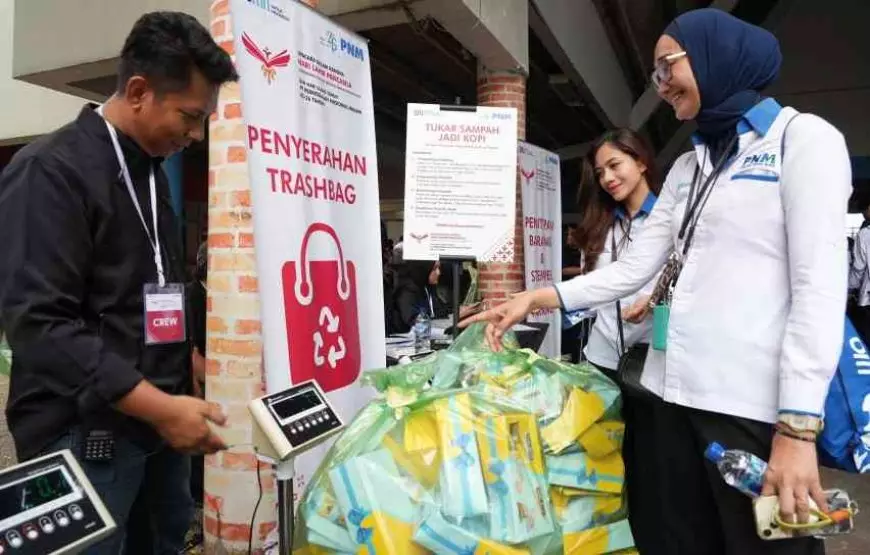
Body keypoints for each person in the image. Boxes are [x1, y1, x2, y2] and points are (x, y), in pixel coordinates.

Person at [463, 8, 850, 555]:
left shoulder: (802, 140)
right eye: (655, 74)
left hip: (750, 407)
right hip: (669, 399)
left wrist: (797, 429)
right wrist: (537, 298)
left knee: (766, 545)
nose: (661, 85)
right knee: (674, 540)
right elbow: (631, 269)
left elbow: (819, 291)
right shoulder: (691, 166)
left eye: (668, 66)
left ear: (717, 56)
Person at [0, 12, 238, 554]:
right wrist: (160, 407)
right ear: (137, 92)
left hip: (157, 424)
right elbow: (40, 325)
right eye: (190, 116)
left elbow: (149, 284)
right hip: (84, 433)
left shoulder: (151, 173)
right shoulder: (50, 172)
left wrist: (186, 361)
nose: (196, 135)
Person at [391, 260, 450, 333]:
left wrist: (456, 311)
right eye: (435, 269)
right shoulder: (407, 292)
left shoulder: (426, 287)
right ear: (424, 269)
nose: (438, 272)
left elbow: (437, 310)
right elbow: (415, 321)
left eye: (439, 268)